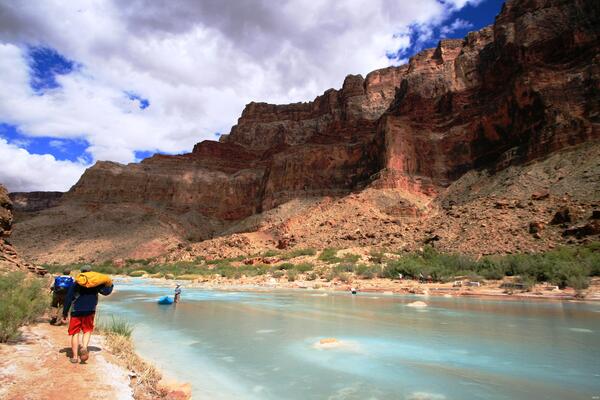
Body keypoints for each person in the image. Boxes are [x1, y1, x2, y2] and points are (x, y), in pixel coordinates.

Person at [62, 266, 113, 364]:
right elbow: (106, 292)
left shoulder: (77, 283)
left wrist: (65, 312)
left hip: (76, 310)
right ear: (90, 272)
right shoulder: (95, 283)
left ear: (82, 272)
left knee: (75, 332)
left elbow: (68, 298)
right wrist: (111, 285)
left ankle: (75, 357)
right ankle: (84, 347)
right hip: (90, 310)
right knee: (87, 330)